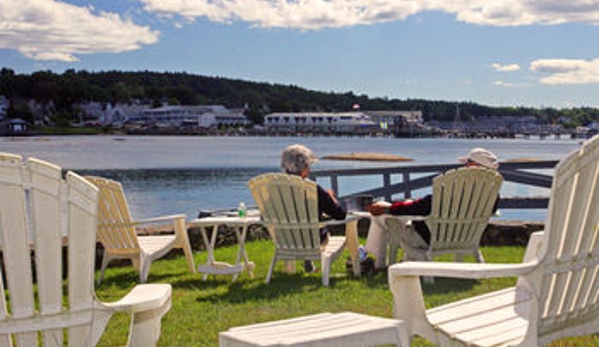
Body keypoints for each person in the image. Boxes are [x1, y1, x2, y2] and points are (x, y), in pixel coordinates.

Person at [362, 147, 501, 270]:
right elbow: (492, 212)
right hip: (466, 237)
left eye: (466, 163)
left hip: (429, 238)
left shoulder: (454, 187)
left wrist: (388, 209)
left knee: (381, 217)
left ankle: (375, 262)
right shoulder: (492, 193)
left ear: (473, 166)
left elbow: (422, 207)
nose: (464, 166)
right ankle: (397, 261)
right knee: (403, 207)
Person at [280, 144, 347, 272]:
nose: (309, 169)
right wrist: (331, 198)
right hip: (313, 241)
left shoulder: (275, 189)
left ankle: (307, 262)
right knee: (316, 228)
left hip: (286, 240)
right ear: (304, 168)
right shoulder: (312, 189)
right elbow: (340, 214)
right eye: (309, 166)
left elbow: (264, 214)